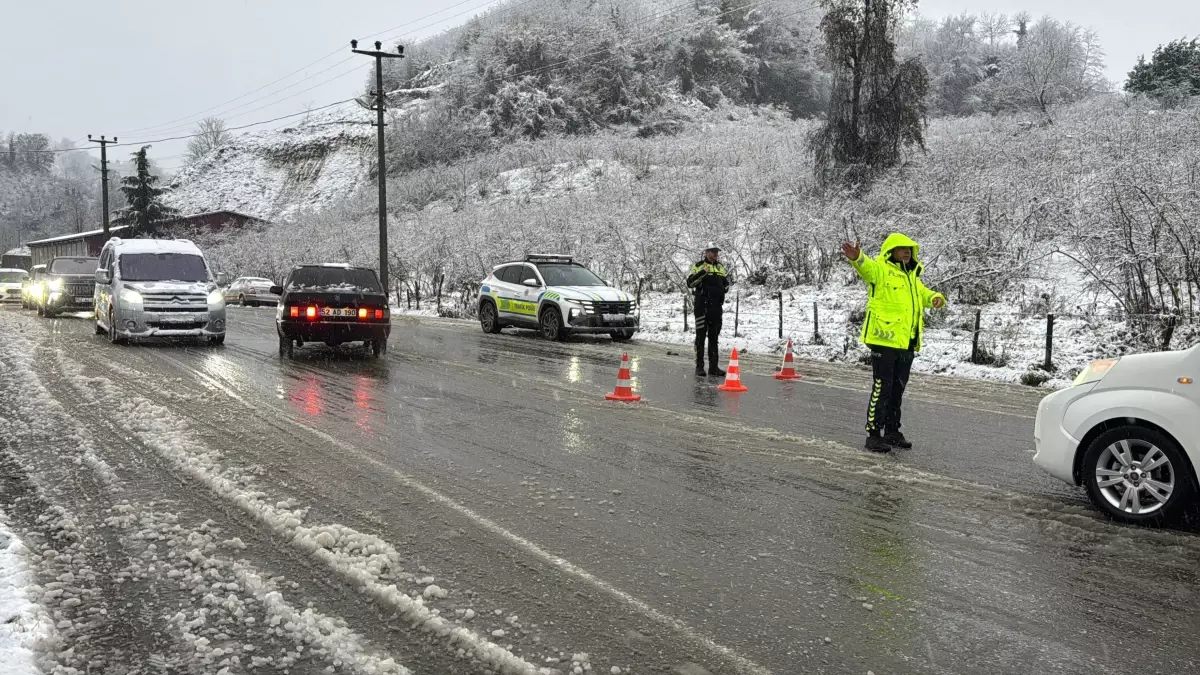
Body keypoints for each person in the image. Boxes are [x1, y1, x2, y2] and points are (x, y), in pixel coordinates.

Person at [842, 233, 946, 452]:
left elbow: (923, 293)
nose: (907, 252)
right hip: (883, 340)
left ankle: (892, 431)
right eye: (901, 248)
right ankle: (873, 433)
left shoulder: (912, 277)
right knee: (883, 387)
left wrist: (935, 298)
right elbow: (866, 267)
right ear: (891, 251)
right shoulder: (881, 270)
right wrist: (857, 257)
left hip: (907, 341)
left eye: (909, 248)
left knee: (898, 389)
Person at [687, 243, 730, 377]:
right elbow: (690, 283)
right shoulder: (698, 265)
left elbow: (725, 285)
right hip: (702, 307)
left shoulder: (720, 267)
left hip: (716, 307)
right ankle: (699, 367)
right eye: (712, 251)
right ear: (706, 252)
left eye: (717, 252)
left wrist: (724, 287)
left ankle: (713, 367)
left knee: (714, 337)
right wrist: (703, 272)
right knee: (700, 337)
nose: (715, 254)